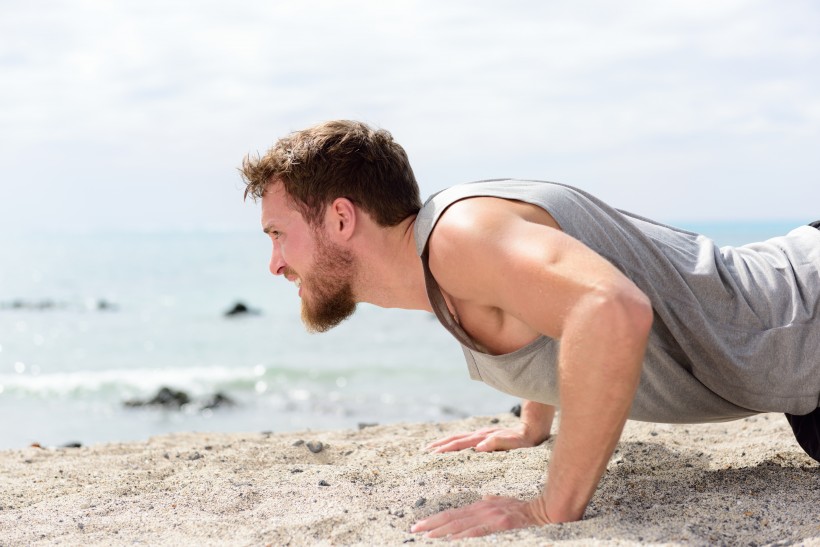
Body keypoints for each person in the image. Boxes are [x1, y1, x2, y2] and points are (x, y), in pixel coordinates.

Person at [241, 120, 820, 539]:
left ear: (341, 218)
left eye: (277, 234)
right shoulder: (438, 263)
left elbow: (610, 310)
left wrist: (551, 508)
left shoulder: (459, 235)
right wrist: (533, 419)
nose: (274, 264)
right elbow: (547, 310)